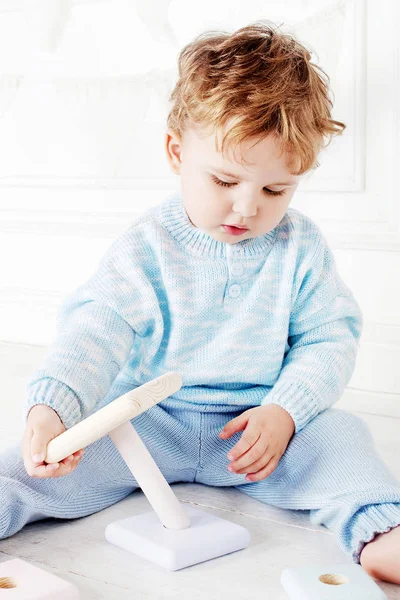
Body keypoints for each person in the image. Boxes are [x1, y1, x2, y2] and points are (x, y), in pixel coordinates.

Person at [1, 21, 399, 584]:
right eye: (223, 180)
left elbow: (329, 339)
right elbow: (97, 329)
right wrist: (52, 411)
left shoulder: (301, 248)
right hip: (147, 426)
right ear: (175, 151)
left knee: (344, 438)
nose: (246, 208)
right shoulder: (148, 246)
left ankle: (380, 530)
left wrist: (284, 412)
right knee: (27, 466)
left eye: (274, 190)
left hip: (259, 433)